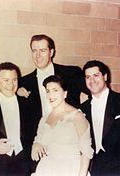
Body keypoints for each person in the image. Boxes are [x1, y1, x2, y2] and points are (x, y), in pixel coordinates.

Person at [18, 34, 89, 166]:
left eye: (42, 50)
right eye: (34, 51)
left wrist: (80, 119)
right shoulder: (23, 82)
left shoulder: (71, 73)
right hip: (39, 149)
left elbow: (93, 93)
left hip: (70, 146)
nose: (37, 55)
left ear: (51, 52)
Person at [31, 75, 93, 176]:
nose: (51, 95)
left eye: (55, 90)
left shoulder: (77, 116)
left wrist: (82, 174)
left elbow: (86, 151)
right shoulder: (44, 119)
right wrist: (36, 145)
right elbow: (39, 140)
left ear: (65, 93)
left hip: (70, 169)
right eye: (48, 91)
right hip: (47, 169)